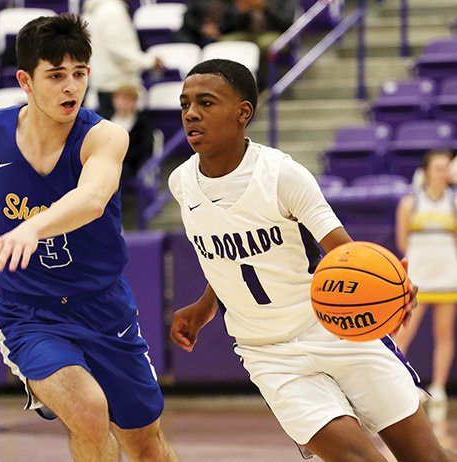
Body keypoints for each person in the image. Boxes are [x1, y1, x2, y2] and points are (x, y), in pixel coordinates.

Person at [168, 58, 457, 461]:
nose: (191, 113)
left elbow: (343, 251)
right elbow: (229, 258)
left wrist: (392, 286)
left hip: (335, 329)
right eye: (185, 104)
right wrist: (203, 307)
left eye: (206, 102)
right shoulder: (181, 182)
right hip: (268, 352)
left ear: (242, 112)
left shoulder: (283, 175)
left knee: (427, 458)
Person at [0, 14, 178, 462]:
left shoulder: (104, 137)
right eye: (57, 75)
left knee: (146, 446)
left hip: (104, 309)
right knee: (87, 411)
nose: (71, 87)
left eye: (80, 74)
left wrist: (33, 226)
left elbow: (92, 199)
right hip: (30, 313)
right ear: (26, 80)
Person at [394, 148, 457, 406]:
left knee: (444, 333)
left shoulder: (454, 202)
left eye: (447, 167)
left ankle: (439, 387)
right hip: (418, 276)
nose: (443, 172)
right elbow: (402, 241)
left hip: (447, 274)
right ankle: (398, 382)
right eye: (438, 168)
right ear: (426, 171)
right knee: (404, 331)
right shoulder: (410, 202)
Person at [82, 0, 164, 119]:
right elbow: (119, 50)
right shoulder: (113, 11)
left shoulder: (93, 11)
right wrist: (149, 61)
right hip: (119, 86)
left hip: (103, 83)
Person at [110, 84, 155, 179]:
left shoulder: (143, 123)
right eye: (121, 99)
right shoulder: (105, 120)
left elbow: (145, 146)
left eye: (128, 99)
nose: (124, 103)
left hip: (131, 163)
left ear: (134, 102)